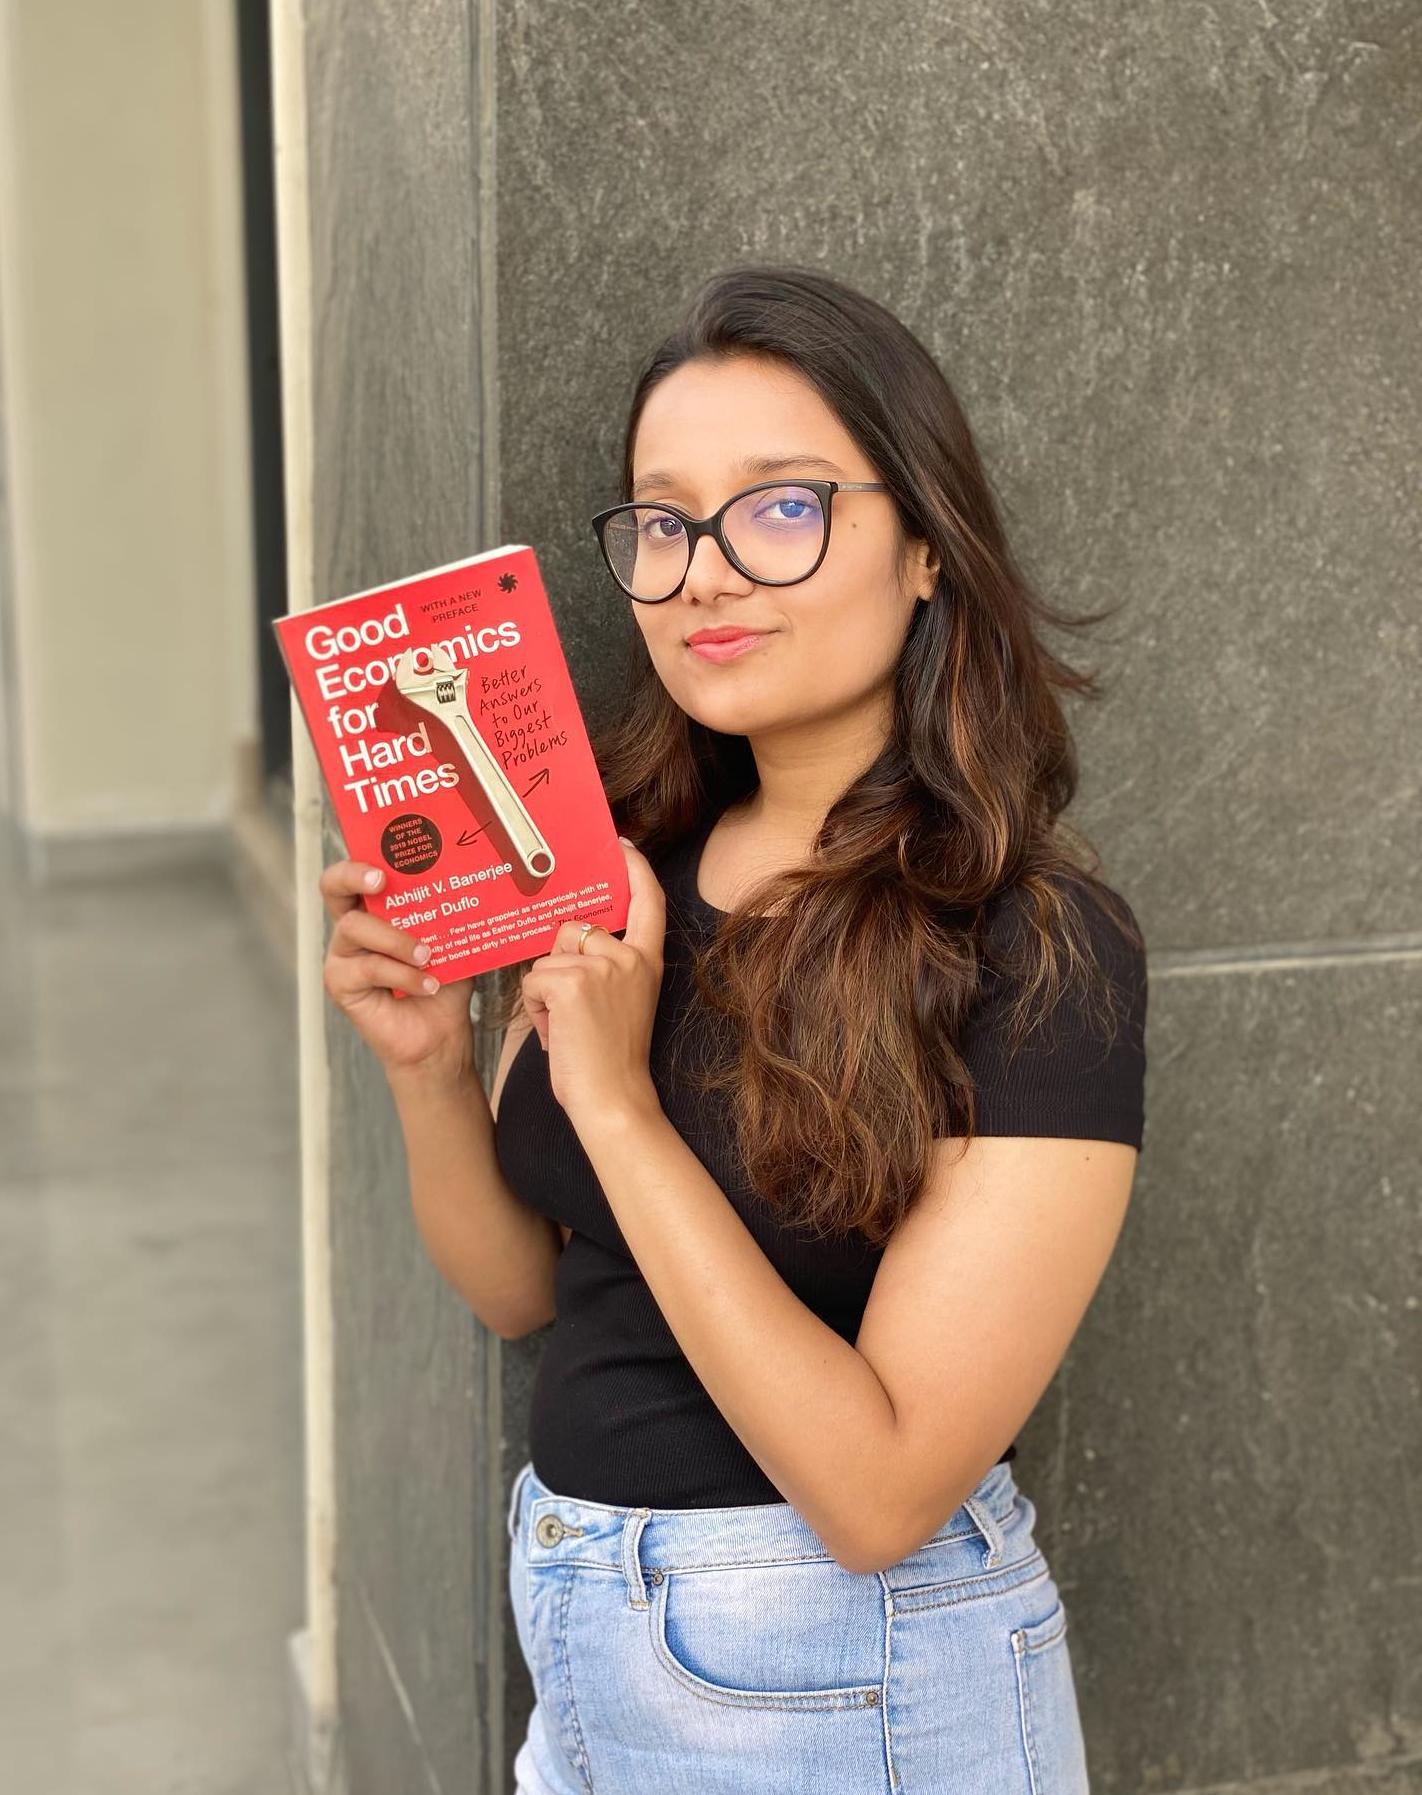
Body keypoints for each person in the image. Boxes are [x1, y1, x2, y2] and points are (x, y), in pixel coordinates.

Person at [318, 263, 1147, 1794]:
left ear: (924, 546)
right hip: (583, 1651)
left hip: (861, 1685)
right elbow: (533, 1292)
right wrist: (429, 1069)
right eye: (663, 522)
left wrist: (619, 1106)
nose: (701, 573)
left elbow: (881, 1495)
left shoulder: (1031, 941)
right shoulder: (624, 870)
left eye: (779, 507)